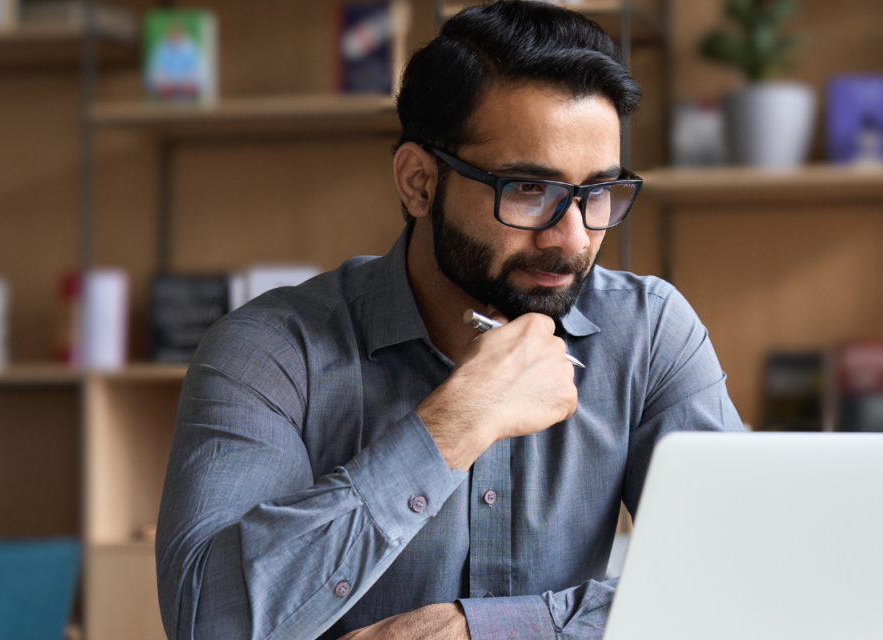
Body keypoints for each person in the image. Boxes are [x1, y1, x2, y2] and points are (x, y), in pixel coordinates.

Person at [155, 2, 745, 639]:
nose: (571, 239)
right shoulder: (269, 352)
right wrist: (453, 423)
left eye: (595, 193)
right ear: (418, 183)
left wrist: (487, 632)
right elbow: (207, 625)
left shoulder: (649, 332)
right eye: (528, 189)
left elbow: (749, 574)